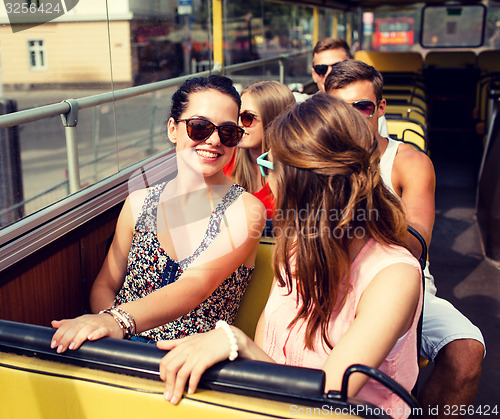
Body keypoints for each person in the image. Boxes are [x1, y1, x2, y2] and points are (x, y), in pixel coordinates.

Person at [157, 93, 423, 417]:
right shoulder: (297, 247)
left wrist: (238, 345)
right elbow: (268, 340)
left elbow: (328, 396)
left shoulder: (393, 276)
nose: (266, 179)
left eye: (270, 165)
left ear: (306, 181)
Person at [50, 75, 266, 352]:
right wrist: (113, 331)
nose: (214, 140)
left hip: (190, 360)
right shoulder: (139, 203)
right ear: (173, 129)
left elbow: (195, 286)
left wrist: (117, 321)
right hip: (120, 347)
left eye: (227, 132)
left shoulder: (245, 210)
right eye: (199, 127)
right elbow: (105, 284)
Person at [324, 60, 485, 418]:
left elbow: (416, 244)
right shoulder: (316, 158)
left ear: (380, 108)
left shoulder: (408, 162)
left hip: (403, 284)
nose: (350, 119)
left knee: (467, 349)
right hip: (330, 279)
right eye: (338, 109)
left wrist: (361, 196)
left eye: (361, 107)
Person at [224, 80, 296, 219]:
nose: (238, 125)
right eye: (236, 116)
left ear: (274, 120)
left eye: (247, 118)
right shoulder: (226, 157)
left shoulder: (295, 173)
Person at [294, 37, 389, 137]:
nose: (329, 73)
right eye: (321, 69)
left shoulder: (368, 109)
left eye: (337, 66)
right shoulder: (302, 108)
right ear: (314, 74)